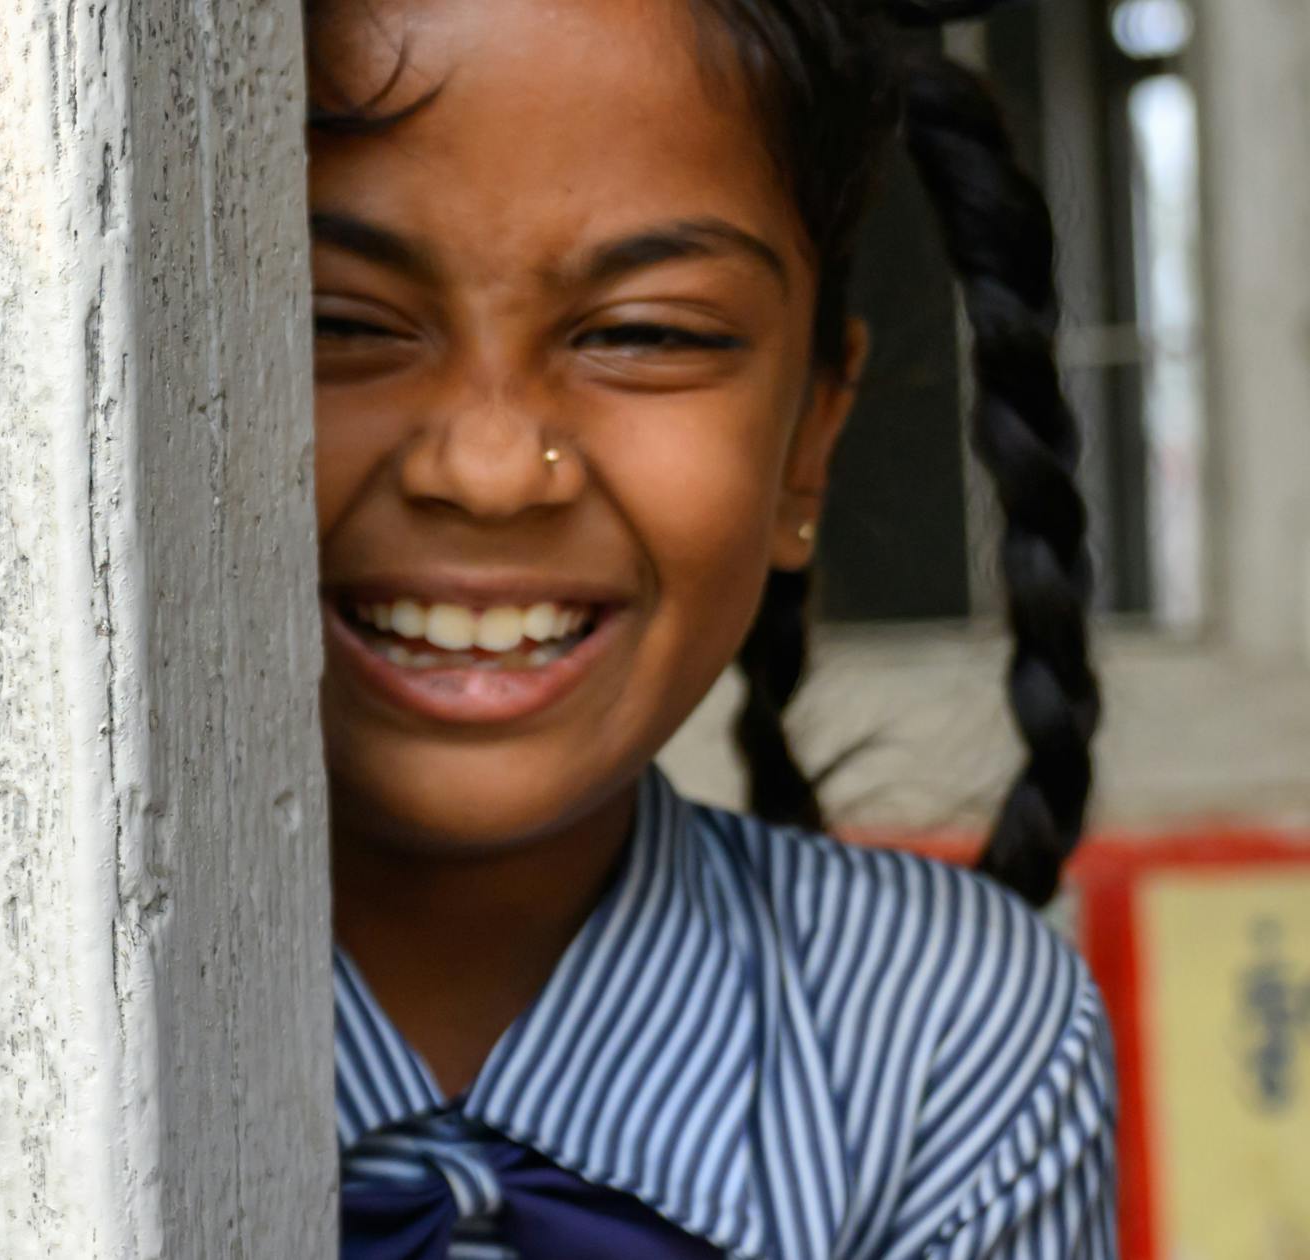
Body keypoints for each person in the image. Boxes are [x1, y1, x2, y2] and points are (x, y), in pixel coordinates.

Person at [301, 0, 1114, 1253]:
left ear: (807, 444)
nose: (490, 467)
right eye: (339, 322)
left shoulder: (942, 1042)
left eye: (643, 334)